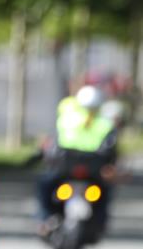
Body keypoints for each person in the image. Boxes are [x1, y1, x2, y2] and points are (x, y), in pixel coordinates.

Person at [35, 85, 118, 235]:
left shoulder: (67, 119)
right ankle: (99, 225)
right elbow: (111, 151)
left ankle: (45, 219)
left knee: (45, 185)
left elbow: (54, 145)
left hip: (67, 169)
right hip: (87, 171)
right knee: (106, 191)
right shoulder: (104, 123)